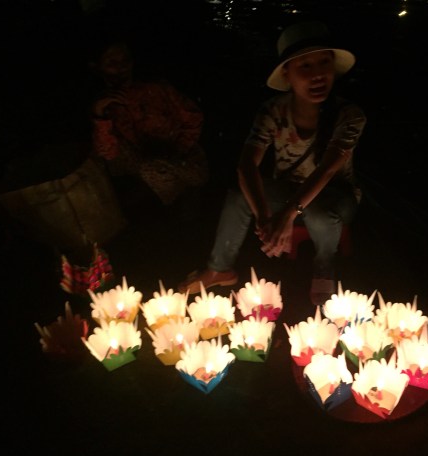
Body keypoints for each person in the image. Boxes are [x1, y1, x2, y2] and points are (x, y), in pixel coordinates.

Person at [177, 20, 366, 305]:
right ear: (287, 74)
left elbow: (328, 169)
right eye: (305, 66)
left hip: (335, 196)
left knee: (318, 213)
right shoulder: (273, 111)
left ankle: (324, 266)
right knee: (239, 195)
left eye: (323, 63)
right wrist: (265, 218)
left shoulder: (349, 115)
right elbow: (246, 166)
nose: (317, 74)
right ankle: (219, 268)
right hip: (288, 190)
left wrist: (287, 215)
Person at [89, 38, 209, 211]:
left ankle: (182, 200)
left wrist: (179, 150)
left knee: (161, 171)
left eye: (125, 60)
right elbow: (108, 152)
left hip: (183, 159)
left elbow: (193, 117)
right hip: (144, 168)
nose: (122, 67)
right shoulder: (105, 106)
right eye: (112, 63)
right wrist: (99, 113)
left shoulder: (156, 89)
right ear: (97, 66)